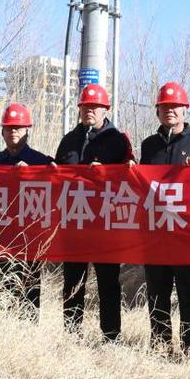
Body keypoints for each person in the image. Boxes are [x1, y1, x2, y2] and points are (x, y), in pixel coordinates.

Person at [138, 82, 190, 353]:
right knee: (156, 292)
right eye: (164, 107)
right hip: (156, 232)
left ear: (185, 109)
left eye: (175, 106)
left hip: (188, 234)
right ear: (157, 111)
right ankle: (160, 346)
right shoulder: (148, 145)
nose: (170, 110)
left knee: (189, 292)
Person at [55, 83, 133, 341]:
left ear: (105, 109)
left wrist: (109, 171)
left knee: (108, 282)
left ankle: (111, 335)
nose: (90, 110)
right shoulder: (69, 140)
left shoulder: (118, 140)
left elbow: (131, 176)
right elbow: (57, 176)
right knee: (73, 281)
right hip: (75, 222)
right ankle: (71, 334)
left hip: (105, 225)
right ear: (79, 109)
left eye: (95, 106)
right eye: (85, 106)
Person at [0, 103, 52, 317]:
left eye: (18, 127)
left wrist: (35, 174)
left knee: (29, 299)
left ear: (27, 130)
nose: (13, 131)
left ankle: (28, 334)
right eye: (9, 128)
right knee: (2, 297)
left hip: (30, 241)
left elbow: (60, 189)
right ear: (2, 132)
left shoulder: (43, 162)